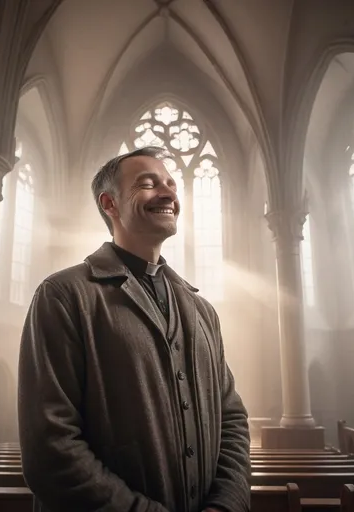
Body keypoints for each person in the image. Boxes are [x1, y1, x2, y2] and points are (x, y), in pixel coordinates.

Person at [18, 145, 251, 512]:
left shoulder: (203, 311)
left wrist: (226, 506)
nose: (168, 193)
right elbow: (51, 448)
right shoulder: (63, 296)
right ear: (109, 204)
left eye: (171, 184)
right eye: (148, 183)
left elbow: (232, 418)